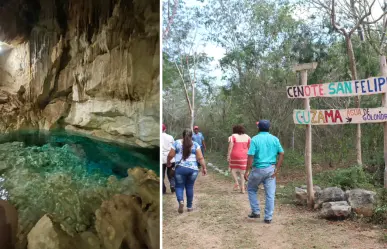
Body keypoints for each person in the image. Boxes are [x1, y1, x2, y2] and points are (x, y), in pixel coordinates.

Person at [244, 120, 284, 224]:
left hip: (257, 169)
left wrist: (247, 171)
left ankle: (256, 211)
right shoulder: (275, 139)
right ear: (269, 127)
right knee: (270, 194)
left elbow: (250, 156)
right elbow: (282, 153)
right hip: (271, 169)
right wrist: (277, 169)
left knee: (251, 189)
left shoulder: (255, 139)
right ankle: (268, 218)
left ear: (258, 128)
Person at [167, 128, 207, 214]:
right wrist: (204, 168)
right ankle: (189, 207)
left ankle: (181, 201)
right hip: (193, 170)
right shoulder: (195, 144)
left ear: (182, 135)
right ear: (192, 136)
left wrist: (168, 162)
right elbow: (200, 158)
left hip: (180, 169)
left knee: (179, 186)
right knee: (189, 187)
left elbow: (170, 155)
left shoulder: (177, 143)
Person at [227, 124, 251, 194]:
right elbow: (249, 147)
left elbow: (230, 147)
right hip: (244, 156)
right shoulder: (248, 137)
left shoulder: (233, 136)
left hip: (235, 155)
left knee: (232, 169)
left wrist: (228, 155)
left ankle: (237, 183)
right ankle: (243, 188)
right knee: (243, 172)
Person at [162, 124, 175, 194]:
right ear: (165, 129)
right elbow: (174, 148)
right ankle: (173, 185)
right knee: (171, 174)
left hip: (162, 159)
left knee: (162, 175)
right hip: (171, 158)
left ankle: (163, 190)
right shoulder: (170, 137)